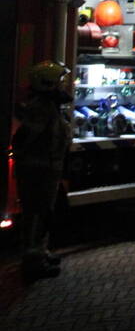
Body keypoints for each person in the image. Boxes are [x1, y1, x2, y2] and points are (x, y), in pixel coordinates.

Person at [13, 61, 73, 280]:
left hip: (46, 169)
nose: (63, 85)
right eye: (60, 81)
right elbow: (26, 138)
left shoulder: (48, 106)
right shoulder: (41, 108)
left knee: (44, 213)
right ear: (49, 83)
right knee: (36, 215)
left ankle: (40, 252)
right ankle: (32, 262)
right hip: (37, 171)